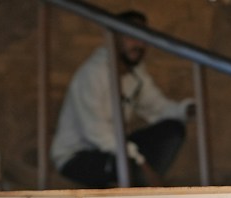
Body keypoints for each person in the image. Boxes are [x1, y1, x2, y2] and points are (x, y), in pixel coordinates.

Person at [51, 10, 192, 187]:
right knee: (127, 166)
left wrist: (186, 109)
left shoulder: (136, 73)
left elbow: (156, 106)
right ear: (114, 38)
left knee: (172, 130)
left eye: (143, 38)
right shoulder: (92, 74)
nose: (139, 44)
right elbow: (96, 132)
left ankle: (144, 185)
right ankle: (144, 187)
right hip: (79, 155)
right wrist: (141, 163)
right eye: (132, 36)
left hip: (118, 147)